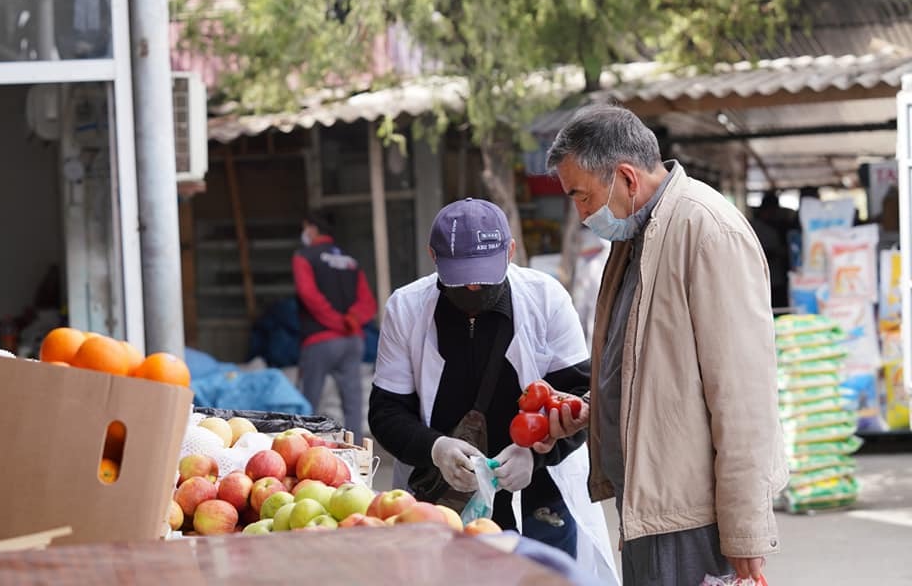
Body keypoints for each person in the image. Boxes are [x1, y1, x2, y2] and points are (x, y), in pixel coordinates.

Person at [541, 105, 787, 585]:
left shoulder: (705, 230)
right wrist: (596, 407)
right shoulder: (638, 235)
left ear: (627, 179)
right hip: (650, 506)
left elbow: (743, 398)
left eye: (582, 196)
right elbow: (650, 364)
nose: (582, 213)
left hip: (692, 519)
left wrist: (746, 533)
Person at [368, 198, 617, 581]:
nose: (472, 286)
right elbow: (386, 413)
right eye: (461, 277)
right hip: (442, 502)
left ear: (511, 252)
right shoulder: (407, 308)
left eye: (484, 277)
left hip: (541, 497)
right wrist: (435, 448)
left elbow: (582, 399)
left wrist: (534, 458)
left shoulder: (545, 299)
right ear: (433, 256)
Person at [292, 210, 376, 442]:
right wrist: (352, 320)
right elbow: (368, 303)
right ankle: (358, 454)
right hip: (352, 340)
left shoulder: (304, 257)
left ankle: (300, 449)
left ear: (312, 229)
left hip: (320, 341)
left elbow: (309, 295)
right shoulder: (351, 262)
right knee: (353, 403)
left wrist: (336, 322)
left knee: (308, 402)